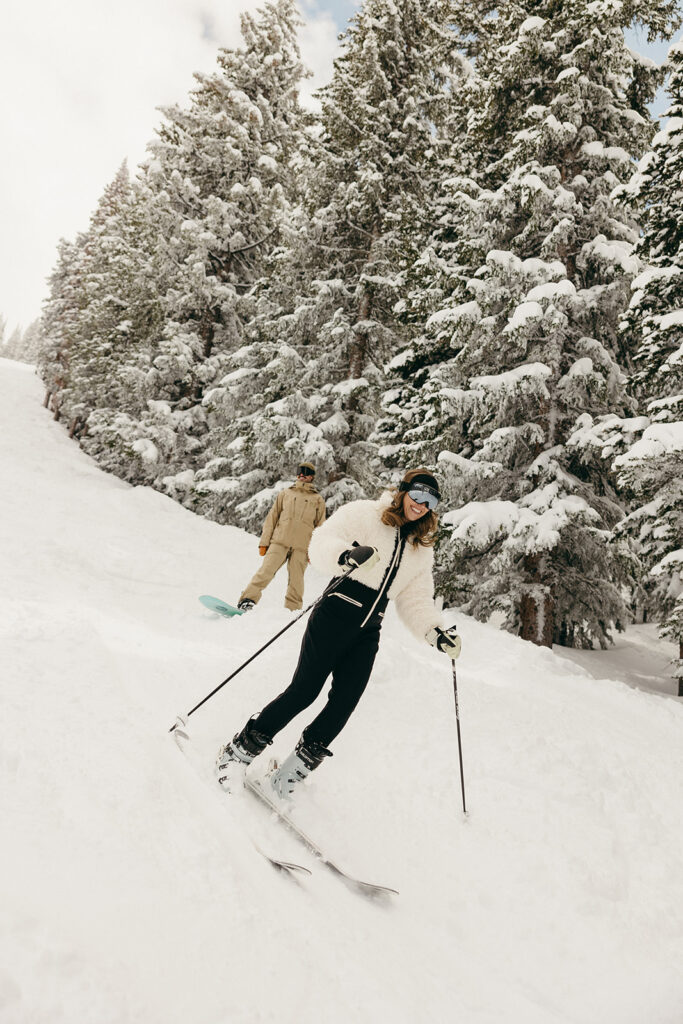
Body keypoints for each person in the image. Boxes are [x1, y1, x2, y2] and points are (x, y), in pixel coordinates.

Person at [218, 468, 462, 798]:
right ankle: (237, 752)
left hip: (368, 631)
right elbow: (321, 541)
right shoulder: (366, 514)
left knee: (344, 703)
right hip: (334, 614)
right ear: (403, 491)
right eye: (417, 494)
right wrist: (346, 556)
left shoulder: (420, 549)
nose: (421, 504)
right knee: (304, 692)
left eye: (430, 500)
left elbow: (416, 598)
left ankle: (291, 773)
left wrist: (435, 632)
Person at [237, 462, 326, 612]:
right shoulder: (286, 494)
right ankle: (247, 600)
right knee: (265, 572)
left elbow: (320, 527)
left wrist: (314, 551)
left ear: (311, 476)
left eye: (306, 472)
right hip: (279, 542)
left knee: (296, 581)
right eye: (299, 471)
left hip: (302, 547)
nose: (302, 475)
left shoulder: (317, 499)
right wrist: (264, 542)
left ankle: (292, 610)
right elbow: (272, 518)